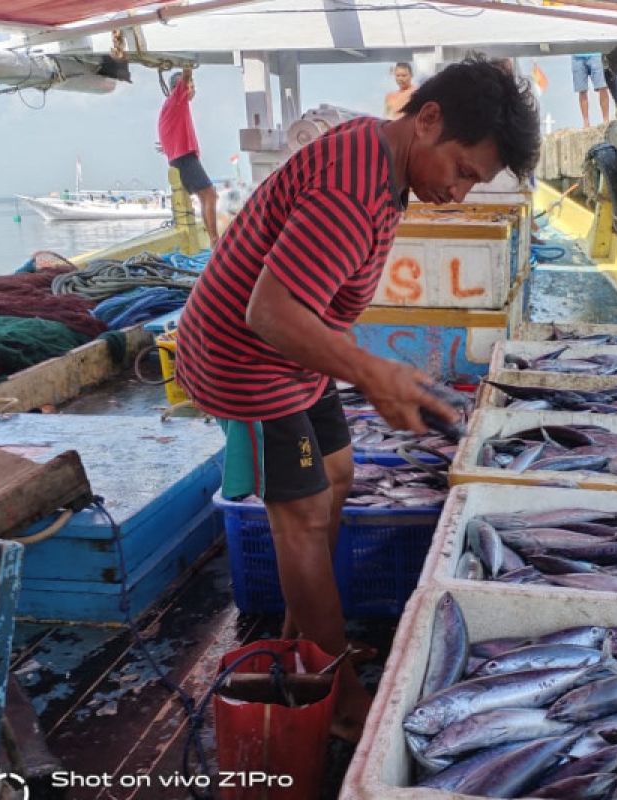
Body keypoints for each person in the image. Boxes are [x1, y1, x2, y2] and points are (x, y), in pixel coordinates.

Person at [172, 56, 540, 741]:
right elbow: (271, 313)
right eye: (461, 170)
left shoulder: (383, 163)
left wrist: (371, 371)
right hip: (248, 360)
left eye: (474, 183)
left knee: (339, 476)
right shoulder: (352, 184)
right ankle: (335, 693)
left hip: (297, 354)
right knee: (305, 518)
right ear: (426, 119)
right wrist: (374, 374)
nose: (459, 192)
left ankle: (306, 638)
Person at [157, 66, 219, 244]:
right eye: (192, 85)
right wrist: (187, 62)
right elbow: (185, 77)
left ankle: (212, 239)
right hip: (184, 158)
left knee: (205, 196)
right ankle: (215, 240)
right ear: (181, 88)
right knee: (210, 195)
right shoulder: (176, 100)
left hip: (182, 157)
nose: (194, 89)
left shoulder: (173, 106)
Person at [571, 53, 610, 127]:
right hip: (577, 56)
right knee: (582, 90)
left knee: (602, 86)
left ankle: (606, 120)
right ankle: (586, 123)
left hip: (595, 53)